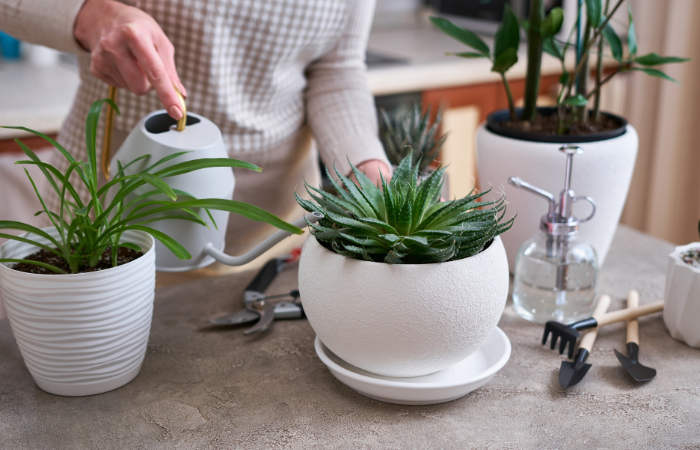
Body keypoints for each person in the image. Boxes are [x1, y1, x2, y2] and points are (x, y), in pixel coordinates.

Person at [0, 0, 390, 253]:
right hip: (120, 209)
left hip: (273, 229)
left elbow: (336, 68)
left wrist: (363, 162)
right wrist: (92, 15)